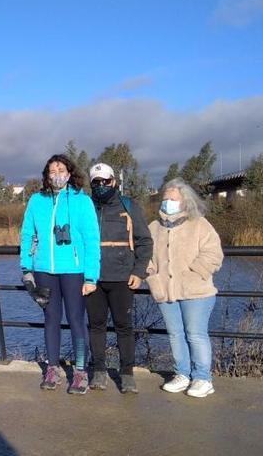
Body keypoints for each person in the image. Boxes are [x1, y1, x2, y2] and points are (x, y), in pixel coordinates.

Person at [20, 154, 100, 394]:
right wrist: (26, 268)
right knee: (51, 319)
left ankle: (80, 372)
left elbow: (92, 240)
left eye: (61, 169)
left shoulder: (82, 201)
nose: (57, 175)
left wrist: (91, 277)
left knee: (76, 320)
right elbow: (26, 235)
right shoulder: (36, 200)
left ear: (69, 172)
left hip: (74, 271)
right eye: (52, 171)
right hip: (44, 270)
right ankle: (52, 369)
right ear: (46, 174)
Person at [146, 178, 224, 398]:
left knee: (196, 334)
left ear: (185, 201)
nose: (168, 202)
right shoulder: (154, 227)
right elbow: (145, 257)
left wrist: (195, 274)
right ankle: (182, 373)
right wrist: (153, 277)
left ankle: (202, 378)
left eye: (173, 198)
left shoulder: (200, 224)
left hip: (196, 292)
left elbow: (213, 254)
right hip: (166, 292)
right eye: (165, 198)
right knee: (175, 334)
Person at [86, 163, 153, 394]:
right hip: (92, 278)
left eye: (105, 181)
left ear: (114, 181)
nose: (101, 186)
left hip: (123, 279)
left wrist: (138, 271)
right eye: (96, 182)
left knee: (124, 327)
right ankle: (99, 372)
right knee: (96, 326)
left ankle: (127, 374)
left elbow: (144, 241)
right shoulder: (85, 207)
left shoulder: (129, 205)